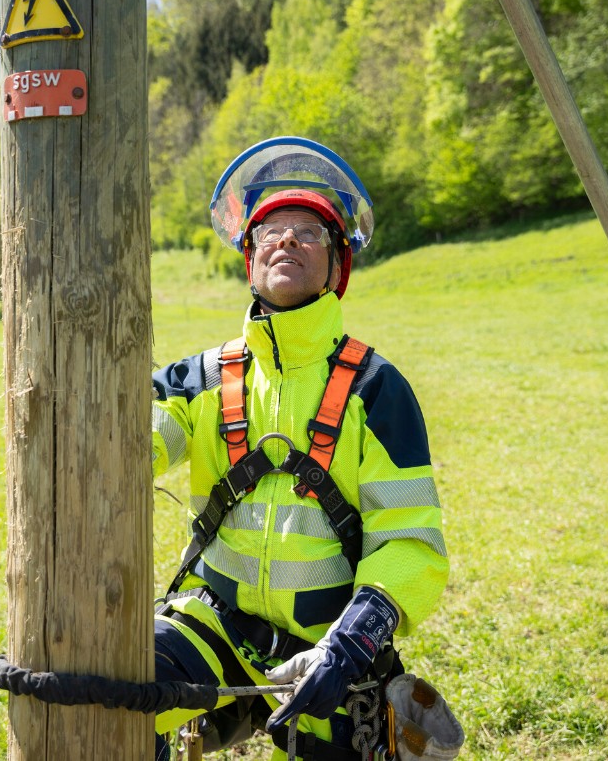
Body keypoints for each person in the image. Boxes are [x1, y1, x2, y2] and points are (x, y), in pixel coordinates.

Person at [150, 137, 449, 760]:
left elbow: (410, 541)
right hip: (214, 625)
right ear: (250, 258)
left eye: (308, 231)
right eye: (270, 231)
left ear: (338, 264)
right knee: (122, 694)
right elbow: (127, 445)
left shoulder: (377, 389)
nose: (285, 240)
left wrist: (348, 648)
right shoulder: (203, 378)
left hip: (329, 646)